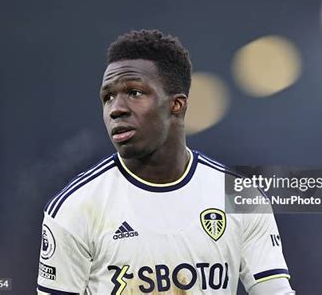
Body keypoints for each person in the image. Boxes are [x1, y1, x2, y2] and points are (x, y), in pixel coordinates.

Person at [36, 29, 293, 294]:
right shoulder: (75, 208)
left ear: (177, 105)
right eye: (108, 97)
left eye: (134, 92)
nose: (116, 109)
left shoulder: (240, 197)